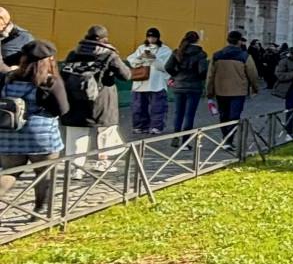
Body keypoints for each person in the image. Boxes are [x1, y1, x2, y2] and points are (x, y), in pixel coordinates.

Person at [0, 39, 69, 213]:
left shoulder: (7, 78)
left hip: (10, 134)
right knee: (44, 175)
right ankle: (40, 211)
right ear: (49, 60)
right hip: (42, 136)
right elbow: (62, 109)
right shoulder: (49, 82)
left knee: (10, 172)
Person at [60, 27, 132, 162]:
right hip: (102, 99)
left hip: (75, 100)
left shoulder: (73, 54)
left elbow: (64, 75)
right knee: (106, 131)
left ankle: (76, 169)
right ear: (105, 39)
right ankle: (103, 163)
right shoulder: (109, 55)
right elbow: (126, 76)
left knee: (76, 134)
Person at [206, 31, 260, 145]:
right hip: (238, 91)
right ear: (239, 41)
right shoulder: (245, 56)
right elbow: (253, 74)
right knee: (234, 116)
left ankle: (225, 137)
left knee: (223, 115)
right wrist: (255, 88)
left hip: (221, 90)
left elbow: (210, 75)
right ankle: (229, 140)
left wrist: (209, 91)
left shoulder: (216, 55)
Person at [126, 28, 172, 136]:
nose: (151, 39)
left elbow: (166, 66)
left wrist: (154, 59)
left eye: (153, 37)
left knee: (158, 107)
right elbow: (131, 60)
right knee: (139, 106)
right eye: (149, 37)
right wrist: (140, 58)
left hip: (157, 83)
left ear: (158, 38)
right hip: (141, 82)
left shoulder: (165, 50)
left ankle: (156, 126)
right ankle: (139, 126)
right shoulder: (141, 48)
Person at [166, 30, 210, 137]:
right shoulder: (200, 54)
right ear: (198, 40)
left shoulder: (177, 52)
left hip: (179, 86)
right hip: (194, 87)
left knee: (178, 114)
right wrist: (201, 79)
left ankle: (175, 138)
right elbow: (202, 71)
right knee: (189, 115)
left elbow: (168, 67)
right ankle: (186, 141)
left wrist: (176, 76)